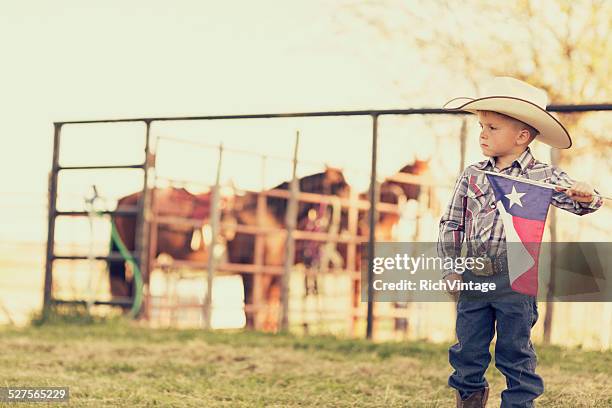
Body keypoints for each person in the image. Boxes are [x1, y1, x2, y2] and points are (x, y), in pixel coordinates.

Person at [438, 76, 603, 407]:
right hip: (476, 275)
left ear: (522, 136)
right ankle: (469, 396)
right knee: (468, 346)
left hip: (517, 278)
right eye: (481, 126)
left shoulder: (543, 176)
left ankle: (518, 403)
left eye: (493, 127)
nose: (483, 133)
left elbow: (584, 202)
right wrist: (452, 268)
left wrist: (586, 194)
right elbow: (452, 222)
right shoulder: (473, 175)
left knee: (515, 350)